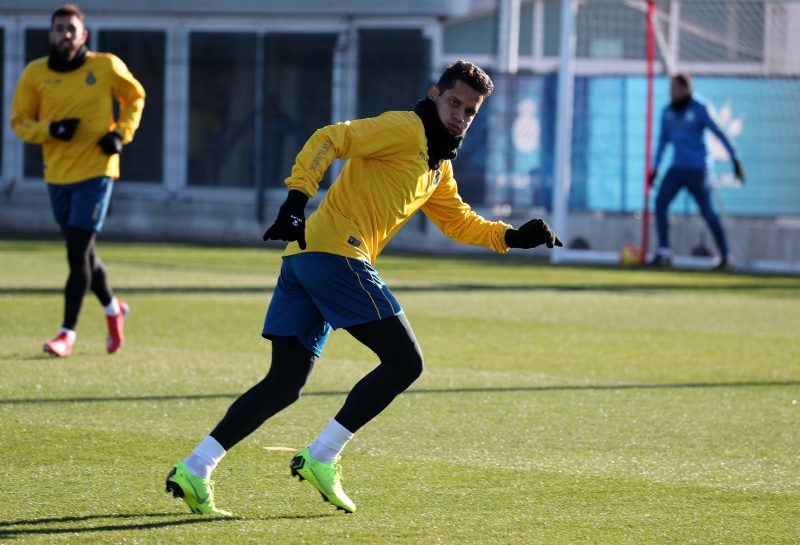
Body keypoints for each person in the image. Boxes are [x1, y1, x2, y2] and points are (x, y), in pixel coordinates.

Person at [165, 60, 563, 516]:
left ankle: (195, 468)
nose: (460, 116)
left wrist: (511, 237)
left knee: (285, 383)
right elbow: (330, 138)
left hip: (305, 259)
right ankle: (322, 456)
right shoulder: (406, 128)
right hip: (337, 255)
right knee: (405, 362)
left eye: (470, 111)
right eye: (454, 102)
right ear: (434, 94)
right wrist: (296, 199)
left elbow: (457, 221)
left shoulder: (437, 164)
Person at [10, 4, 145, 358]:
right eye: (60, 29)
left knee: (76, 253)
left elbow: (135, 97)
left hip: (97, 172)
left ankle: (66, 334)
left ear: (83, 35)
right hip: (57, 175)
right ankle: (114, 309)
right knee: (85, 254)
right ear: (51, 35)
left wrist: (120, 135)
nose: (66, 35)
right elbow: (19, 121)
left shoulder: (106, 66)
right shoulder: (35, 73)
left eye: (72, 29)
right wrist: (51, 129)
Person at [648, 72, 744, 270]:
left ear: (685, 89)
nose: (671, 92)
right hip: (677, 169)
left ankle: (726, 257)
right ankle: (664, 252)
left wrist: (735, 159)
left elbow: (719, 133)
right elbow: (662, 142)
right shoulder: (667, 112)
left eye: (674, 88)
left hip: (698, 170)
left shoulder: (700, 108)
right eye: (670, 88)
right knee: (660, 203)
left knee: (707, 212)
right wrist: (655, 168)